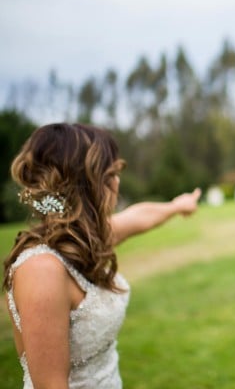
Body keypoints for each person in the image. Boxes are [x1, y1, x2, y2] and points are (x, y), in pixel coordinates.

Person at [2, 123, 202, 388]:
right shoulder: (41, 270)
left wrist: (177, 206)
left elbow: (137, 217)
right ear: (85, 182)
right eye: (110, 174)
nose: (117, 182)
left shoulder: (82, 239)